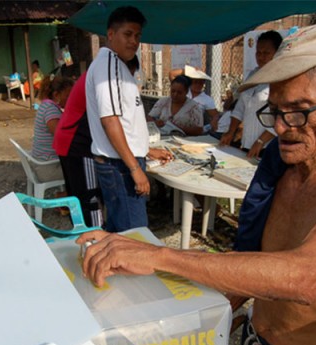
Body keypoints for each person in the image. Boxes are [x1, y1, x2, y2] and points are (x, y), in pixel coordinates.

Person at [78, 21, 316, 345]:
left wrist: (159, 255)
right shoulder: (282, 165)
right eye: (275, 110)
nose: (281, 127)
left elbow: (304, 277)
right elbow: (257, 255)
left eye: (299, 111)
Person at [86, 6, 171, 233]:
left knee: (120, 232)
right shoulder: (109, 65)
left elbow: (125, 122)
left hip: (120, 162)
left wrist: (146, 150)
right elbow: (110, 121)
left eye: (138, 36)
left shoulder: (116, 65)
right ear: (111, 34)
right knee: (135, 236)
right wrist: (135, 168)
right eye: (127, 34)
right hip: (120, 166)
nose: (134, 41)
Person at [220, 30, 283, 158]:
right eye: (258, 52)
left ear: (277, 53)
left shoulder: (281, 79)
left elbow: (280, 117)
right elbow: (240, 107)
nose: (261, 57)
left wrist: (260, 142)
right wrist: (230, 132)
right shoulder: (253, 75)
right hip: (248, 144)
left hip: (268, 146)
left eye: (266, 53)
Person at [53, 72, 103, 228]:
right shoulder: (101, 76)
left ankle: (81, 231)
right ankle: (94, 236)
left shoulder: (93, 73)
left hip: (68, 141)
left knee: (77, 195)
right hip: (78, 144)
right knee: (89, 197)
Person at [31, 75, 74, 182]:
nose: (71, 99)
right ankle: (65, 194)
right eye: (68, 96)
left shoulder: (45, 105)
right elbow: (61, 136)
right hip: (48, 169)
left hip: (41, 164)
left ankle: (65, 193)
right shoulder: (51, 110)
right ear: (56, 95)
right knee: (84, 170)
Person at [170, 65, 220, 132]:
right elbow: (172, 74)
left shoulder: (207, 99)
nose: (198, 85)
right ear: (191, 83)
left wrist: (214, 121)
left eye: (201, 83)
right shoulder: (183, 91)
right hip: (174, 122)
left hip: (192, 128)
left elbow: (215, 114)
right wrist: (189, 71)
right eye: (195, 82)